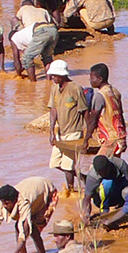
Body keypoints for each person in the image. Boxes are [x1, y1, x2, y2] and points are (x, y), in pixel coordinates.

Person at [0, 177, 57, 253]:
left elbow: (24, 230)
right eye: (3, 203)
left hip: (48, 193)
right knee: (20, 227)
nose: (5, 206)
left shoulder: (23, 201)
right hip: (33, 189)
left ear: (14, 201)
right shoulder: (2, 201)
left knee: (32, 229)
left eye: (7, 203)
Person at [48, 60, 87, 192]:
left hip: (74, 131)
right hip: (60, 132)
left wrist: (87, 135)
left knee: (68, 165)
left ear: (63, 75)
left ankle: (70, 190)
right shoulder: (54, 88)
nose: (53, 78)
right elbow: (53, 109)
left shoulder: (75, 89)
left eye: (55, 76)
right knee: (55, 162)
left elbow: (84, 111)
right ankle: (83, 177)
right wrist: (52, 131)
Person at [85, 63, 127, 156]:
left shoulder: (100, 95)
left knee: (97, 167)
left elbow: (93, 120)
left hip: (110, 139)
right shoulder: (115, 92)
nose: (90, 81)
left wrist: (86, 139)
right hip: (120, 137)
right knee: (113, 166)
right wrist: (124, 138)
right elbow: (120, 116)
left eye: (92, 78)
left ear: (100, 79)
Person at [13, 0, 58, 78]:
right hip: (52, 30)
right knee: (47, 57)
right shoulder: (43, 10)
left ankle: (33, 83)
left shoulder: (23, 9)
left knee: (27, 58)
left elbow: (16, 20)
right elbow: (55, 24)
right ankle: (49, 81)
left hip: (38, 31)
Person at [82, 153, 128, 220]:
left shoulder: (119, 163)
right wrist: (86, 215)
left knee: (127, 188)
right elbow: (87, 198)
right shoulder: (92, 177)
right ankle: (104, 211)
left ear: (109, 165)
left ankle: (124, 204)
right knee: (107, 183)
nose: (105, 174)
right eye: (101, 173)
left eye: (106, 171)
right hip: (103, 199)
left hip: (118, 193)